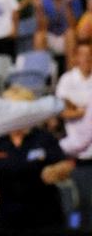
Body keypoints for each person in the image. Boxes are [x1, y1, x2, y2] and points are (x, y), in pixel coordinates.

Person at [0, 86, 74, 232]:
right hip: (8, 218)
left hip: (44, 216)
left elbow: (65, 164)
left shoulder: (43, 138)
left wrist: (55, 171)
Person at [57, 40, 92, 227]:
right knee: (74, 208)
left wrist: (76, 108)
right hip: (73, 156)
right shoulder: (67, 80)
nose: (86, 58)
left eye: (90, 55)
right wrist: (80, 112)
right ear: (76, 56)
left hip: (90, 153)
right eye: (83, 54)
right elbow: (61, 109)